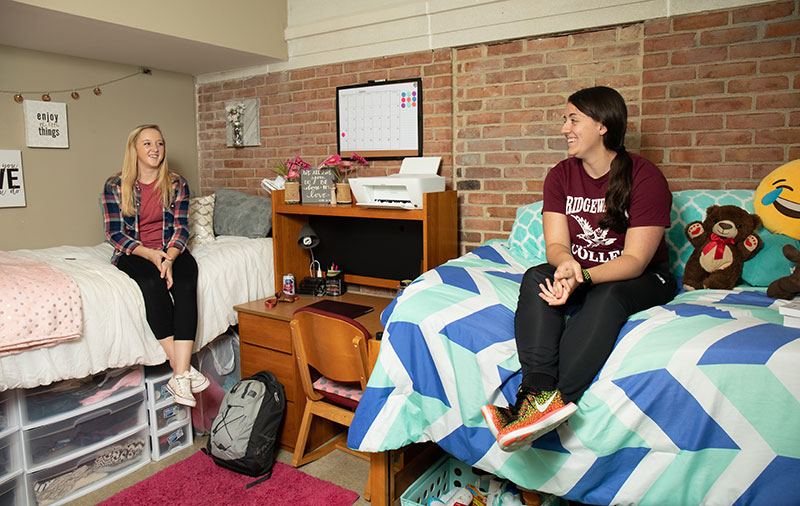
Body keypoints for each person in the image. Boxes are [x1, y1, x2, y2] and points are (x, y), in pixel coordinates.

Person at [482, 87, 676, 452]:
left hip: (644, 277)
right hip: (583, 269)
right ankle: (536, 392)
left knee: (608, 294)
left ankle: (553, 403)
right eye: (565, 119)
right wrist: (566, 266)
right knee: (537, 275)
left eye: (573, 119)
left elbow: (635, 260)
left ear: (603, 125)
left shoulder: (645, 176)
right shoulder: (560, 175)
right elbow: (556, 246)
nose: (563, 129)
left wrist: (582, 277)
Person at [102, 124, 209, 407]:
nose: (155, 149)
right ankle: (182, 371)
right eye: (147, 143)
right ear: (134, 149)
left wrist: (170, 258)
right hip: (136, 251)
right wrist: (150, 256)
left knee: (186, 283)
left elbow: (181, 228)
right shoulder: (115, 186)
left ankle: (178, 375)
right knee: (151, 283)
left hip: (171, 249)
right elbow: (115, 233)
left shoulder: (176, 183)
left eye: (159, 143)